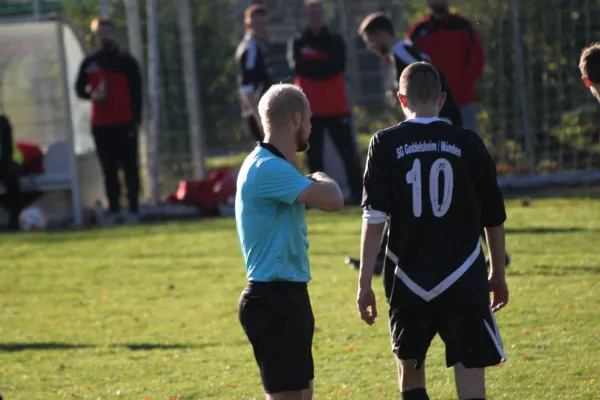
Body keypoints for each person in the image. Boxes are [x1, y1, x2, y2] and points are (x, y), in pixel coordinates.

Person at [357, 62, 509, 400]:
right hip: (464, 278)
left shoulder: (384, 143)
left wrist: (364, 282)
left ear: (401, 98)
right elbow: (494, 218)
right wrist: (497, 273)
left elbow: (374, 219)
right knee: (471, 385)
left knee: (411, 382)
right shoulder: (468, 142)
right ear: (442, 99)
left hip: (407, 280)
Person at [235, 83, 344, 399]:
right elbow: (334, 199)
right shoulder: (268, 168)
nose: (311, 128)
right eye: (309, 121)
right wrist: (320, 176)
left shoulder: (271, 166)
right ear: (296, 119)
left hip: (285, 297)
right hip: (274, 301)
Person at [287, 0, 363, 204]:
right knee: (314, 156)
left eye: (318, 13)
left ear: (323, 15)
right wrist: (321, 64)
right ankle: (317, 197)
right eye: (311, 14)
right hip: (310, 110)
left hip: (336, 106)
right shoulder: (298, 41)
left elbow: (336, 66)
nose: (315, 17)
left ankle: (359, 195)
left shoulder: (335, 40)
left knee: (348, 153)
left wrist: (315, 65)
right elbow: (299, 67)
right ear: (306, 16)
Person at [75, 18, 143, 225]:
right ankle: (114, 208)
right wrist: (93, 96)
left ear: (114, 34)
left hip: (124, 122)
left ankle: (133, 208)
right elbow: (79, 89)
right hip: (102, 125)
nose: (104, 36)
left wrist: (135, 121)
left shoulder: (126, 61)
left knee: (130, 166)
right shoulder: (90, 63)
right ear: (96, 36)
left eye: (107, 32)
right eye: (100, 33)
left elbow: (137, 93)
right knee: (109, 169)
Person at [358, 12, 462, 127]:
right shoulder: (399, 53)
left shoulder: (401, 51)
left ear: (382, 34)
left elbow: (430, 74)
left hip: (439, 117)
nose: (370, 47)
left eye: (370, 40)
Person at [407, 0, 485, 133]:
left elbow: (477, 59)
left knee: (470, 146)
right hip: (430, 104)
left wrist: (463, 85)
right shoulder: (417, 31)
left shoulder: (463, 27)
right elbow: (410, 64)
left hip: (462, 100)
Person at [236, 4, 273, 142]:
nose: (263, 28)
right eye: (258, 24)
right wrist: (261, 120)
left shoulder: (260, 46)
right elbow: (247, 90)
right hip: (258, 114)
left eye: (265, 24)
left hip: (266, 112)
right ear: (248, 26)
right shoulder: (249, 50)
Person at [0, 111, 22, 230]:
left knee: (11, 179)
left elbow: (7, 148)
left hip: (9, 160)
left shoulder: (2, 120)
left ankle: (15, 220)